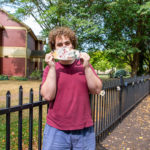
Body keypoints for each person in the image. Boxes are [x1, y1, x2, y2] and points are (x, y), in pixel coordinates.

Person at [41, 26, 102, 150]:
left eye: (67, 43)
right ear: (54, 49)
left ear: (73, 46)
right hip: (56, 130)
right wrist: (52, 67)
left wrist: (86, 67)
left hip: (84, 130)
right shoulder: (50, 68)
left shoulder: (84, 66)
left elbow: (96, 90)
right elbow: (47, 95)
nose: (64, 47)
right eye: (59, 44)